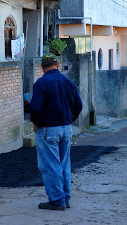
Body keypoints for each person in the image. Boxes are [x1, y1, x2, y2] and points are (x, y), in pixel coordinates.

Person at [29, 53, 83, 210]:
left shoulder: (41, 83)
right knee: (64, 164)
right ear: (57, 65)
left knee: (50, 165)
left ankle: (57, 200)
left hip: (48, 130)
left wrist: (36, 123)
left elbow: (35, 108)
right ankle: (65, 198)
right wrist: (68, 120)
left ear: (42, 67)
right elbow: (78, 105)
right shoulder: (68, 82)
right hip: (66, 128)